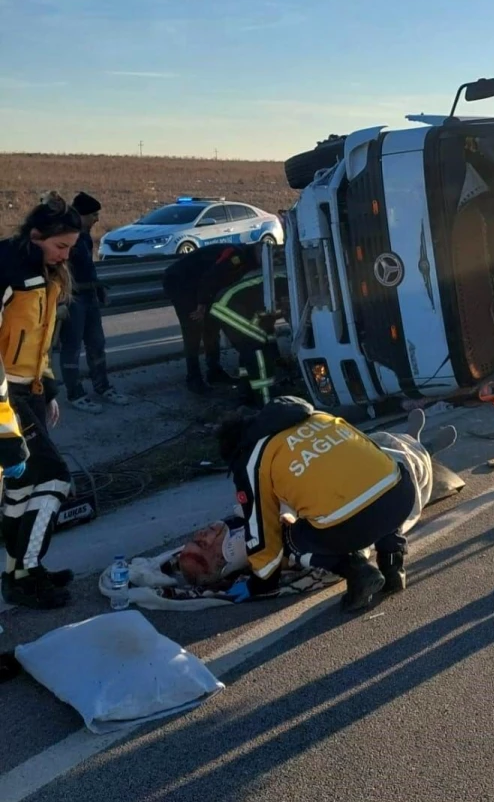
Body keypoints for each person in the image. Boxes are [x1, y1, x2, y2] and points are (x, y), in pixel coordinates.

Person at [217, 397, 433, 611]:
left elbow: (262, 528)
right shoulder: (319, 417)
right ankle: (393, 566)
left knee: (289, 534)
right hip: (401, 497)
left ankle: (357, 572)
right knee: (372, 489)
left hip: (354, 524)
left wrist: (261, 582)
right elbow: (372, 453)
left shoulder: (252, 460)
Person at [0, 197, 81, 608]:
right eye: (61, 247)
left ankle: (17, 573)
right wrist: (5, 424)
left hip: (24, 392)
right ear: (36, 236)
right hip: (5, 396)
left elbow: (38, 341)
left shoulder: (43, 273)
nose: (66, 256)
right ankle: (26, 572)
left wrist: (45, 389)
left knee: (21, 487)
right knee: (53, 478)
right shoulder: (8, 270)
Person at [58, 192, 131, 414]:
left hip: (89, 298)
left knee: (97, 343)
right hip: (72, 299)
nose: (97, 219)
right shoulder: (65, 237)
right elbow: (58, 272)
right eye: (93, 215)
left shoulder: (86, 237)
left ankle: (102, 386)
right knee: (71, 348)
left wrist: (98, 290)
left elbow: (88, 268)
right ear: (80, 215)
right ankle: (75, 393)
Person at [162, 243, 257, 393]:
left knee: (212, 326)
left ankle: (215, 371)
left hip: (197, 283)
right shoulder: (236, 255)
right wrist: (201, 304)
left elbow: (221, 282)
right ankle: (193, 379)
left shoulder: (244, 257)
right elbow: (210, 277)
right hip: (180, 282)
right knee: (193, 329)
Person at [208, 265, 288, 407]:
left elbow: (268, 327)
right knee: (258, 352)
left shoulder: (284, 284)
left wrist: (276, 354)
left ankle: (246, 393)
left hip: (228, 306)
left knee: (249, 349)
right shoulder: (290, 291)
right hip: (230, 308)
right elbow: (295, 321)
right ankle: (266, 402)